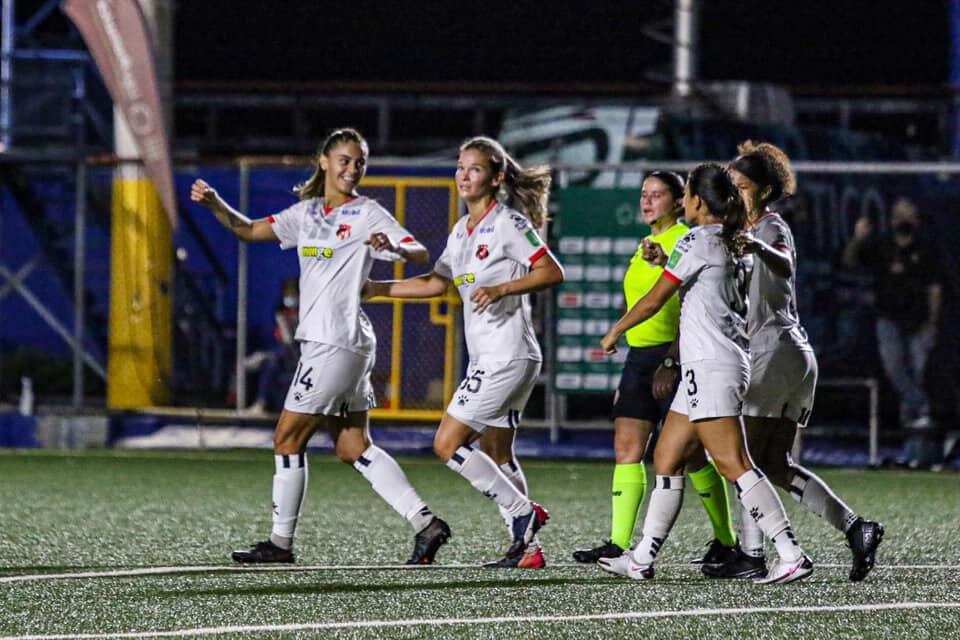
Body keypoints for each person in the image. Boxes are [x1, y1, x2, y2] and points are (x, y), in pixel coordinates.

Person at [189, 127, 451, 565]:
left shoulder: (368, 213)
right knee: (353, 447)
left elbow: (420, 253)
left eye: (360, 162)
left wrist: (395, 248)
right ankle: (426, 524)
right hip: (346, 342)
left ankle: (280, 543)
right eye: (346, 160)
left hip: (334, 342)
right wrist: (217, 204)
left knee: (287, 439)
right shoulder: (307, 214)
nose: (353, 168)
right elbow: (250, 230)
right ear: (325, 162)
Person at [596, 162, 813, 584]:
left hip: (713, 366)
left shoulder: (700, 239)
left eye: (689, 194)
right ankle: (640, 558)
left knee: (735, 463)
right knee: (667, 457)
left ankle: (790, 553)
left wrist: (615, 331)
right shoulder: (732, 241)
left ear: (695, 201)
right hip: (714, 364)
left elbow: (655, 300)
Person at [364, 136, 564, 568]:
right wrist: (380, 289)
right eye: (460, 166)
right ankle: (527, 550)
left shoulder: (508, 223)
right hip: (498, 357)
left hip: (506, 355)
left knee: (447, 443)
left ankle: (523, 513)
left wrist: (502, 287)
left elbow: (552, 271)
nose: (463, 175)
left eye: (474, 168)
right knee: (498, 452)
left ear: (496, 178)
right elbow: (437, 282)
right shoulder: (461, 230)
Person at [701, 141, 883, 582]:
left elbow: (782, 261)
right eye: (730, 184)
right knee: (776, 463)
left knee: (740, 457)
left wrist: (759, 249)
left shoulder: (770, 227)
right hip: (789, 354)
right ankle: (856, 527)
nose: (733, 192)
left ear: (764, 191)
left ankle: (752, 553)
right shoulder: (738, 229)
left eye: (741, 186)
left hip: (771, 351)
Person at [572, 171, 739, 567]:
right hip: (640, 358)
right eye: (643, 195)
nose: (647, 202)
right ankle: (617, 543)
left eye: (657, 195)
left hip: (674, 357)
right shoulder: (648, 245)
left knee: (693, 456)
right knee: (626, 448)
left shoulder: (686, 239)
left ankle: (726, 540)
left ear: (681, 201)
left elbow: (686, 307)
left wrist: (669, 360)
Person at [843, 198, 943, 438]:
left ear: (916, 220)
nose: (903, 221)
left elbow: (934, 287)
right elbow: (850, 261)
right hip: (888, 317)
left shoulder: (925, 248)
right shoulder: (882, 245)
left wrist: (932, 321)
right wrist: (858, 239)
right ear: (891, 219)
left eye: (907, 216)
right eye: (899, 216)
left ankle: (915, 432)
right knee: (894, 367)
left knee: (920, 372)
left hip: (918, 320)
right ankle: (920, 409)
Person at [244, 277, 300, 415]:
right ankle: (261, 402)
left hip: (302, 352)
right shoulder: (280, 311)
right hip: (284, 352)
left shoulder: (307, 310)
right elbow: (284, 338)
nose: (290, 297)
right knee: (270, 364)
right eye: (287, 294)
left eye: (293, 294)